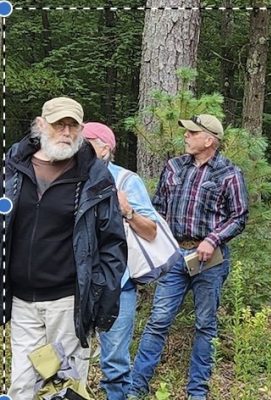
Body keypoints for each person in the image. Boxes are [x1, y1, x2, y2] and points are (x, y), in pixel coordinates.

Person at [2, 97, 127, 400]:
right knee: (22, 387)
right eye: (59, 124)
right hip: (22, 302)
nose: (66, 132)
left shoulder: (94, 176)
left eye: (73, 125)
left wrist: (98, 293)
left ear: (81, 130)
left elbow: (113, 244)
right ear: (41, 125)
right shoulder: (13, 169)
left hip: (68, 303)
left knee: (64, 391)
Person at [129, 114, 250, 400]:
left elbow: (239, 216)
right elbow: (156, 208)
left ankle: (197, 392)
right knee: (158, 320)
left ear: (209, 140)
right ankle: (135, 389)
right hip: (173, 256)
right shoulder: (172, 167)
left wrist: (213, 238)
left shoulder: (229, 173)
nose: (186, 135)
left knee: (205, 325)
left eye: (192, 132)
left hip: (209, 259)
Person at [84, 122, 160, 400]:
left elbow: (151, 231)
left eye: (87, 141)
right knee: (66, 360)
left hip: (117, 286)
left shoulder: (127, 181)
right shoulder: (66, 178)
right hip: (72, 285)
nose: (79, 146)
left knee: (114, 364)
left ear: (106, 148)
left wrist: (127, 211)